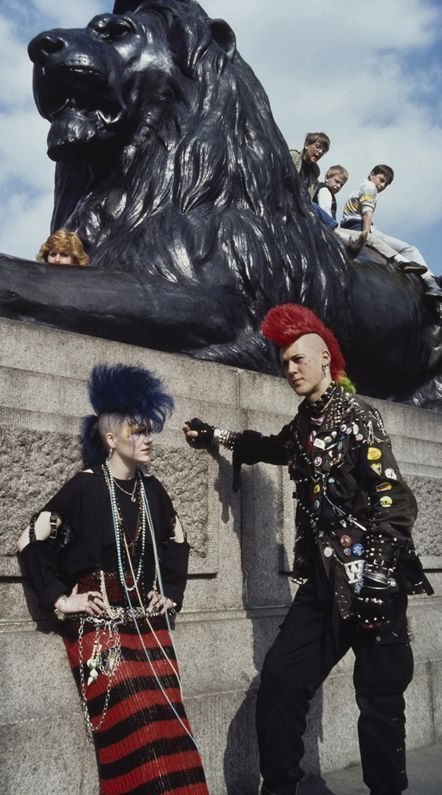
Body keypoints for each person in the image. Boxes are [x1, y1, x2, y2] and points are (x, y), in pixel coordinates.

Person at [183, 303, 433, 795]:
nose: (290, 369)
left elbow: (395, 499)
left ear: (324, 358)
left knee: (380, 701)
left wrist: (379, 575)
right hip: (322, 586)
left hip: (372, 582)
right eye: (284, 364)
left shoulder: (359, 416)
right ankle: (281, 787)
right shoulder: (302, 427)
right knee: (280, 681)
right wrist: (217, 436)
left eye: (298, 359)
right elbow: (273, 447)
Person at [17, 363, 208, 794]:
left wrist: (171, 593)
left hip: (145, 623)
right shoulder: (85, 487)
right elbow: (29, 539)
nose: (147, 439)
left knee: (171, 721)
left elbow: (179, 540)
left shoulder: (152, 490)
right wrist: (62, 600)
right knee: (136, 713)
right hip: (99, 624)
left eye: (149, 430)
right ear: (111, 439)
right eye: (138, 431)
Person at [340, 165, 442, 302]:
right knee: (409, 249)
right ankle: (431, 283)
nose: (382, 185)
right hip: (363, 229)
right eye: (381, 180)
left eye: (386, 184)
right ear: (372, 174)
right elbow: (367, 213)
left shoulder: (356, 191)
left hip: (350, 227)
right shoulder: (369, 188)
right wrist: (366, 234)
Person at [312, 164, 367, 255]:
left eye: (341, 185)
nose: (338, 186)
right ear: (327, 178)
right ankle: (347, 239)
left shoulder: (329, 193)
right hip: (325, 226)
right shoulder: (325, 191)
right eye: (337, 181)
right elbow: (324, 209)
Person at [290, 132, 331, 199]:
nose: (320, 152)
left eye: (323, 151)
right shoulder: (293, 157)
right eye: (318, 147)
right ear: (307, 145)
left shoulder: (315, 172)